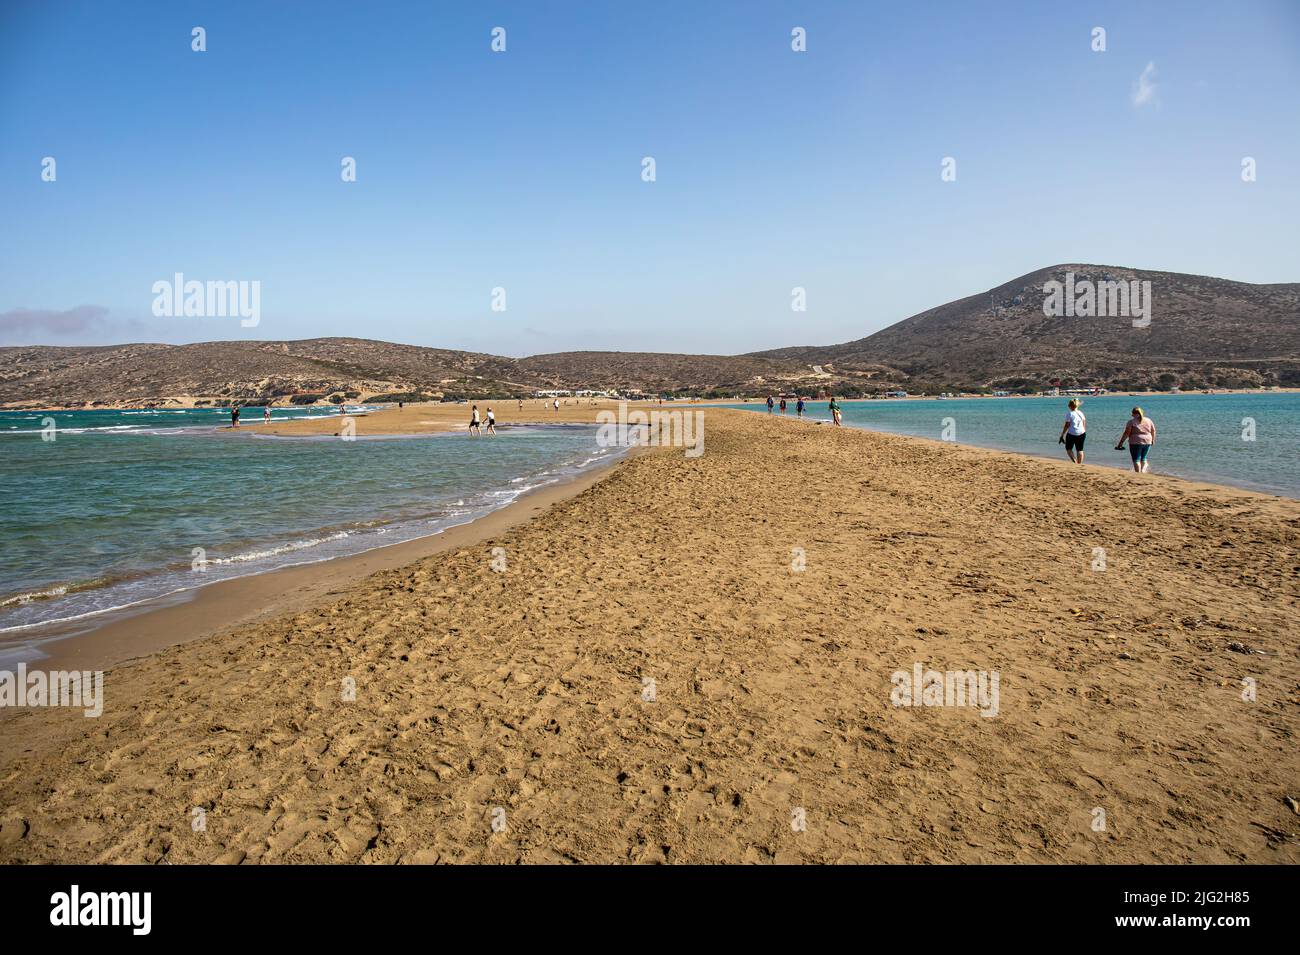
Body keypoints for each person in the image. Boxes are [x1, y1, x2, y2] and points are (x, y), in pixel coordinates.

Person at [1115, 406, 1156, 473]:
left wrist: (1120, 443)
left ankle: (1138, 473)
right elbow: (1153, 431)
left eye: (1132, 413)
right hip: (1148, 440)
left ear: (1133, 414)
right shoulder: (1148, 420)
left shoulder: (1131, 422)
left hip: (1135, 442)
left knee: (1136, 459)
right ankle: (1143, 470)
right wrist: (1153, 440)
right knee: (1143, 458)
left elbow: (1127, 433)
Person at [1058, 398, 1087, 464]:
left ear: (1070, 406)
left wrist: (1062, 435)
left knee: (1068, 449)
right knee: (1080, 450)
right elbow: (1084, 423)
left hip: (1072, 433)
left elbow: (1067, 425)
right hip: (1082, 433)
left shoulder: (1069, 414)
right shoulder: (1081, 413)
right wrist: (1084, 432)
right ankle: (1080, 464)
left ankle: (1075, 461)